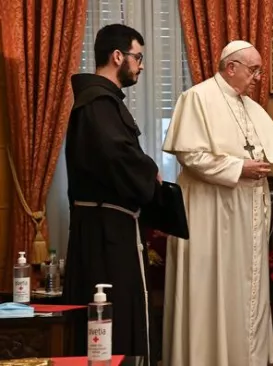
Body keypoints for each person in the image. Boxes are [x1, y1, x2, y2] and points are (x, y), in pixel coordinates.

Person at [161, 40, 273, 366]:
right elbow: (190, 155)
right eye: (253, 69)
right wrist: (238, 168)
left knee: (244, 290)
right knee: (211, 289)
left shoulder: (249, 106)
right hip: (210, 217)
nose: (258, 77)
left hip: (244, 220)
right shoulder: (197, 98)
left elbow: (267, 152)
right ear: (231, 67)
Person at [63, 24, 161, 365]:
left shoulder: (102, 101)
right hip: (105, 231)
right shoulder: (97, 102)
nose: (141, 65)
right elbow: (115, 154)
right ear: (117, 56)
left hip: (109, 224)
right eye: (138, 57)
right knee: (112, 317)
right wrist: (150, 171)